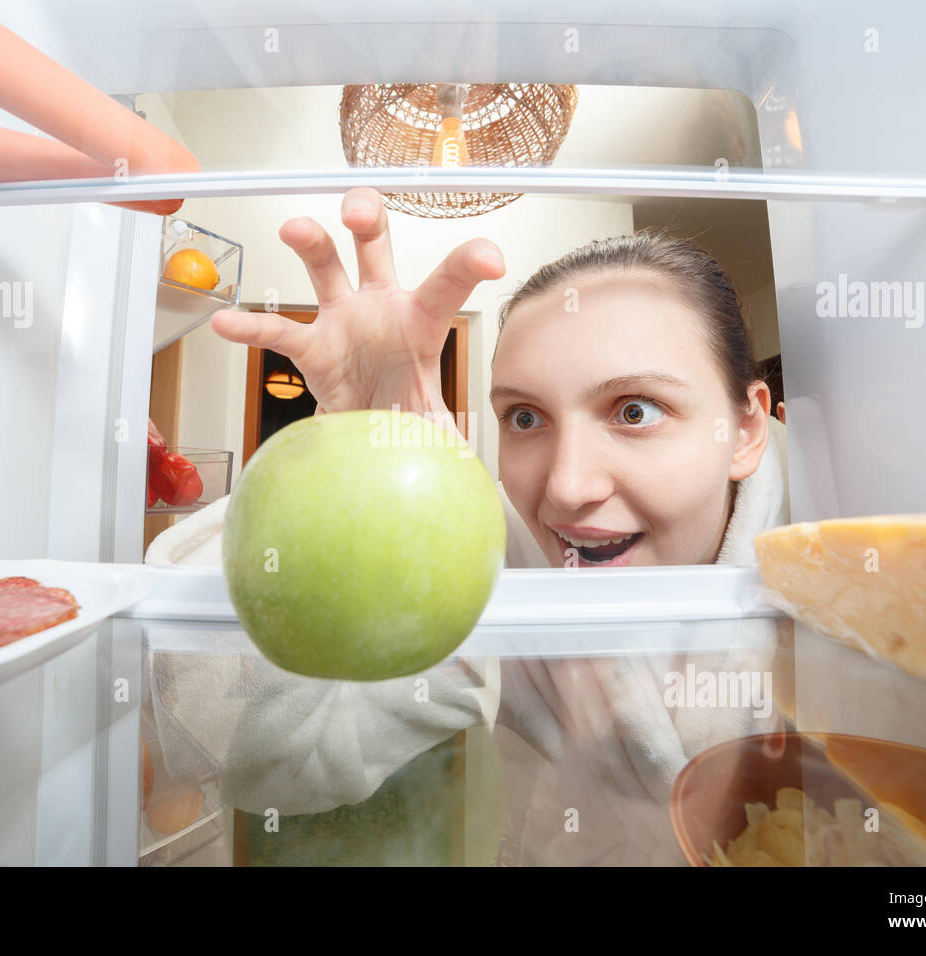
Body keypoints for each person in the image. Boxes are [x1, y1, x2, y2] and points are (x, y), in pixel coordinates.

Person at [144, 187, 790, 865]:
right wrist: (353, 474)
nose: (567, 488)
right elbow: (281, 760)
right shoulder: (483, 569)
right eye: (525, 418)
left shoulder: (836, 554)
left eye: (635, 411)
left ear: (746, 428)